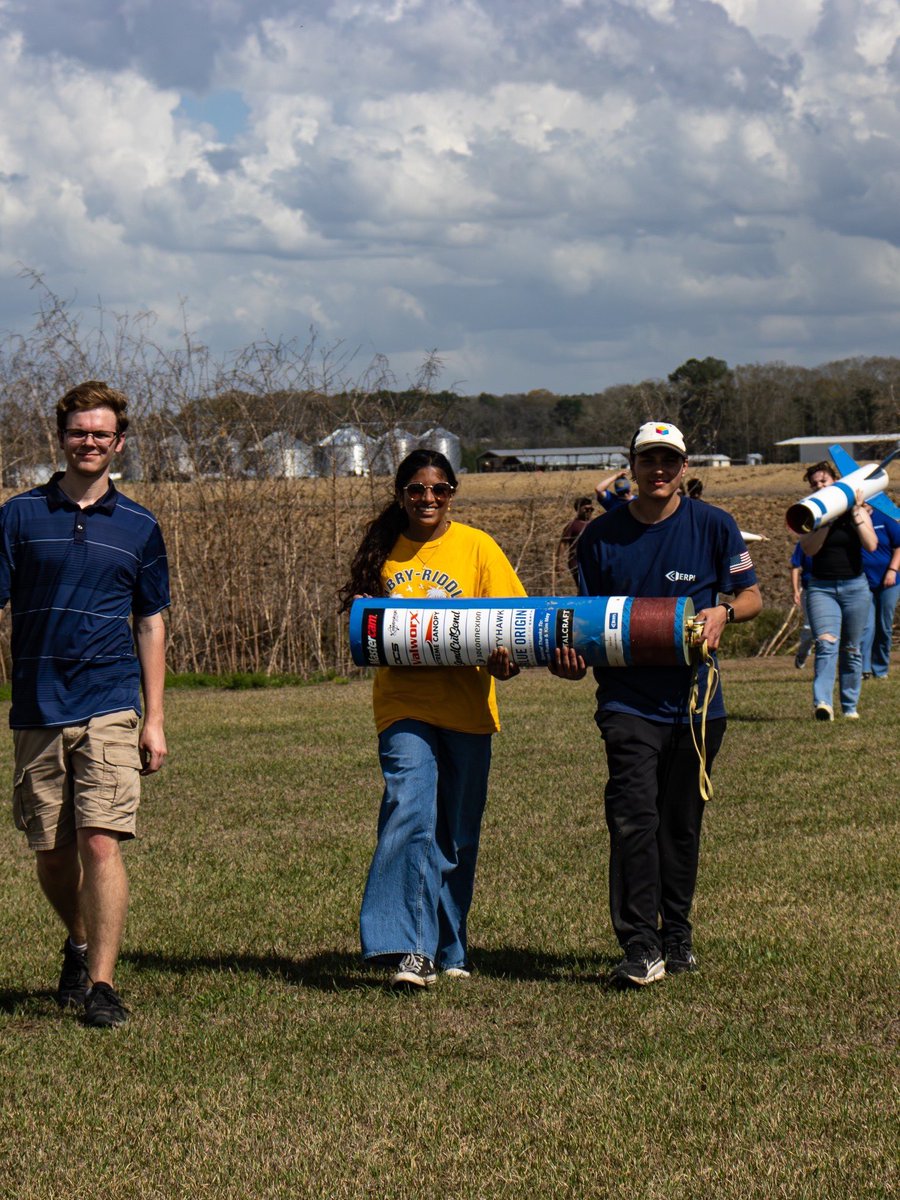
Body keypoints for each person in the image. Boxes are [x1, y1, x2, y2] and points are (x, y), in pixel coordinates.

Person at [551, 421, 761, 987]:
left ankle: (678, 936)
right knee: (633, 820)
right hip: (627, 702)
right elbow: (585, 621)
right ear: (632, 467)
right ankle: (641, 945)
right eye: (649, 461)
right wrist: (570, 658)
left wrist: (724, 613)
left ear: (684, 467)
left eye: (670, 460)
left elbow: (752, 595)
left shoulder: (714, 526)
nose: (660, 470)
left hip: (697, 706)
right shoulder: (598, 538)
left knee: (681, 823)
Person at [0, 381, 169, 1027]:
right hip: (39, 705)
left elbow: (150, 621)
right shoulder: (18, 516)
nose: (90, 442)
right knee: (52, 852)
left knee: (101, 840)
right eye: (79, 432)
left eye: (102, 433)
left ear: (118, 441)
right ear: (61, 438)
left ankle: (101, 985)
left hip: (110, 701)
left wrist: (153, 718)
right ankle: (78, 941)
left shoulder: (140, 526)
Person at [339, 449, 524, 988]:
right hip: (403, 706)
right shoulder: (382, 552)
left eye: (439, 490)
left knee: (457, 833)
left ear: (452, 494)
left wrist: (504, 660)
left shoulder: (477, 546)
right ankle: (405, 948)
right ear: (401, 494)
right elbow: (363, 630)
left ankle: (451, 946)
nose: (428, 499)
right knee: (409, 809)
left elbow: (513, 626)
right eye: (417, 490)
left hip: (467, 706)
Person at [799, 461, 876, 720]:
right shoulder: (810, 514)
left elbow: (872, 544)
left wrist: (854, 511)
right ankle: (823, 703)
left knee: (852, 648)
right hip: (822, 589)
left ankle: (850, 706)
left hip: (856, 588)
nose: (819, 486)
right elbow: (809, 549)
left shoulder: (858, 510)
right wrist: (826, 520)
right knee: (826, 644)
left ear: (835, 481)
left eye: (824, 481)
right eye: (815, 484)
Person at [860, 507, 900, 680]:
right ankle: (864, 669)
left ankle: (881, 668)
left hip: (889, 582)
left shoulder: (885, 519)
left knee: (884, 626)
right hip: (862, 583)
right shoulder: (853, 520)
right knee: (866, 627)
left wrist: (892, 570)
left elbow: (899, 546)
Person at [555, 496, 594, 589]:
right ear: (578, 509)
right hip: (577, 563)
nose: (589, 511)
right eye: (586, 509)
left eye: (591, 509)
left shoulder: (595, 523)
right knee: (583, 587)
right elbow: (563, 543)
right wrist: (558, 562)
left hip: (593, 562)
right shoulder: (572, 526)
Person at [790, 542, 815, 668]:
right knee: (809, 627)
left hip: (829, 588)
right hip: (809, 590)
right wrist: (795, 590)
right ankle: (802, 655)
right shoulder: (805, 541)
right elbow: (795, 566)